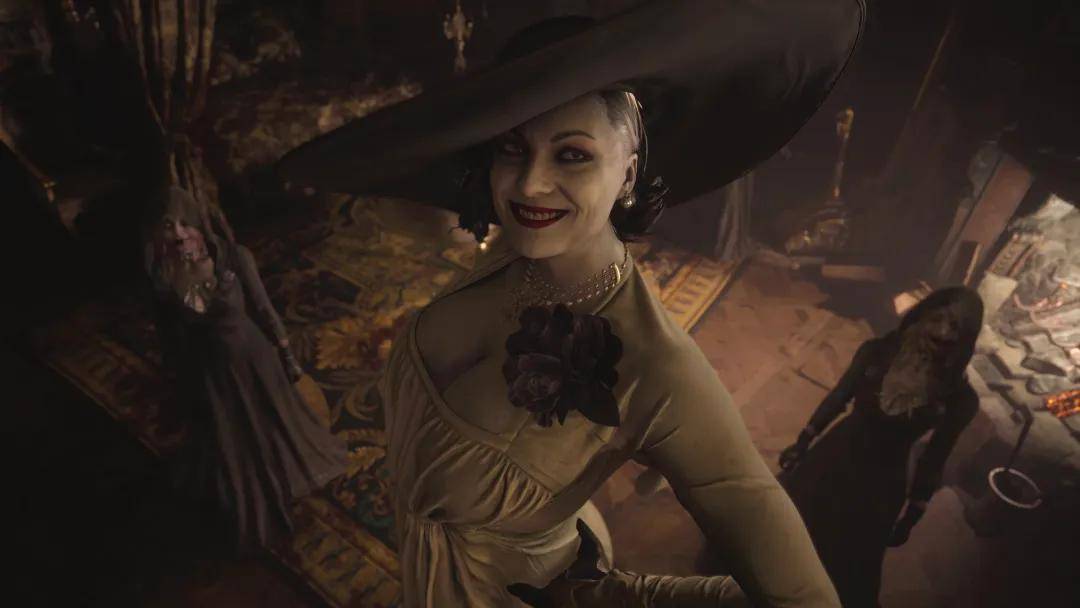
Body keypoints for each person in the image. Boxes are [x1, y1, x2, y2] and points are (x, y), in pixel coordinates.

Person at [280, 1, 866, 605]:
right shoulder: (517, 252)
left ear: (629, 175)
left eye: (572, 154)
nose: (530, 184)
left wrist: (619, 598)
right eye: (513, 148)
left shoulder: (657, 367)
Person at [143, 186, 349, 552]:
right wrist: (179, 381)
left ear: (200, 224)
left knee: (272, 422)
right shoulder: (163, 277)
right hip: (211, 373)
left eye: (185, 224)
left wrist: (288, 359)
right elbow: (171, 339)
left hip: (254, 361)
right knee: (229, 436)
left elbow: (265, 311)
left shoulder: (235, 258)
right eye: (168, 226)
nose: (178, 233)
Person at [778, 287, 984, 607]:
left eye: (955, 327)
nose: (943, 333)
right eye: (938, 319)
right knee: (792, 532)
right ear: (921, 316)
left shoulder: (960, 399)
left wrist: (914, 512)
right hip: (833, 458)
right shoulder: (876, 352)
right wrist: (803, 440)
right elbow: (839, 396)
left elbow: (934, 458)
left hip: (881, 486)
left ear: (966, 338)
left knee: (847, 563)